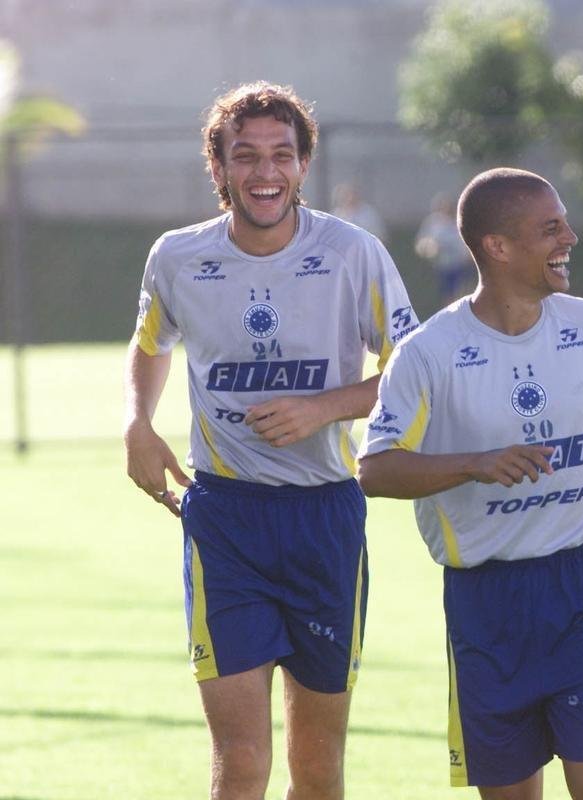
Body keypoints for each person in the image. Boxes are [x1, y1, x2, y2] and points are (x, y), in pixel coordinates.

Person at [122, 81, 418, 800]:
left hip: (324, 517)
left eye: (281, 155)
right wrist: (137, 419)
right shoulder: (177, 258)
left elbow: (415, 371)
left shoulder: (354, 253)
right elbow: (150, 344)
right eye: (245, 155)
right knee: (242, 761)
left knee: (317, 769)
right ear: (218, 167)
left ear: (304, 165)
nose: (265, 172)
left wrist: (326, 408)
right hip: (225, 520)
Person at [357, 167, 583, 800]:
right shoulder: (429, 352)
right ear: (498, 247)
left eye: (564, 222)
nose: (569, 236)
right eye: (550, 228)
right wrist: (473, 462)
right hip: (487, 604)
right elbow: (374, 469)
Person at [415, 190, 475, 307]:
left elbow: (465, 245)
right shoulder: (433, 223)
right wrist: (429, 249)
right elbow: (422, 243)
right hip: (439, 266)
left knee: (459, 294)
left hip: (459, 266)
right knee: (446, 296)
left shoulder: (460, 221)